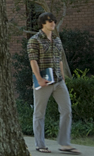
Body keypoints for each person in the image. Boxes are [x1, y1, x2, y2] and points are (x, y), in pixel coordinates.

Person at [28, 12, 80, 155]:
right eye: (49, 21)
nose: (52, 23)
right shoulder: (35, 40)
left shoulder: (57, 40)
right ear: (42, 23)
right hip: (43, 81)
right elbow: (33, 60)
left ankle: (64, 144)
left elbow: (60, 59)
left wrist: (62, 75)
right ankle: (40, 144)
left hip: (58, 81)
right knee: (39, 114)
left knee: (67, 110)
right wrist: (38, 78)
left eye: (54, 21)